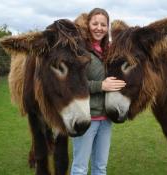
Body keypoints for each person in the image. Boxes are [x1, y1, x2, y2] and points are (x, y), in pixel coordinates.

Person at [71, 8, 126, 175]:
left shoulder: (109, 51)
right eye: (95, 23)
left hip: (106, 119)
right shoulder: (78, 50)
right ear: (88, 25)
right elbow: (72, 85)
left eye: (103, 24)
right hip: (86, 118)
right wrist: (100, 86)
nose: (99, 28)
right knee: (80, 168)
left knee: (100, 167)